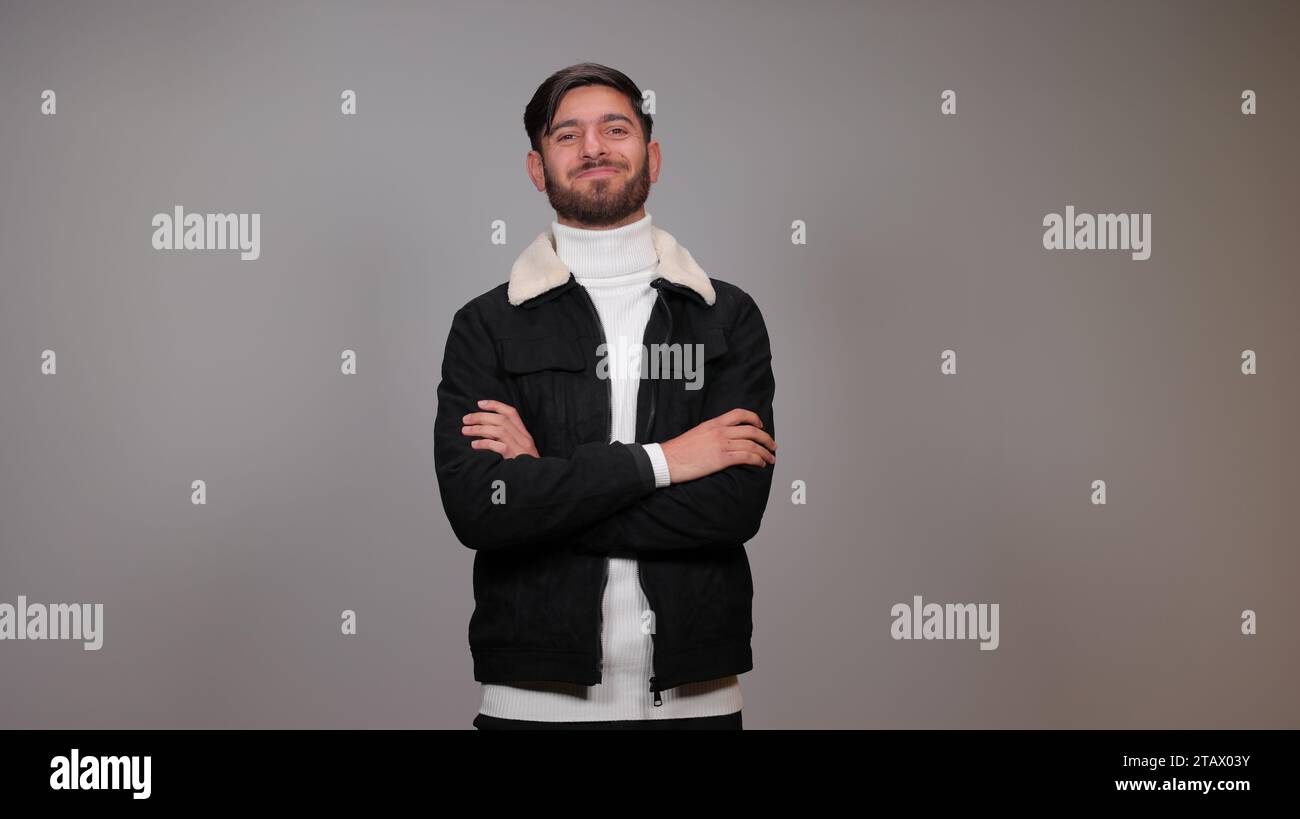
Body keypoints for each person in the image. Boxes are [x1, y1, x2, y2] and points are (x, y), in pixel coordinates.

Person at [434, 62, 777, 729]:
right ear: (537, 168)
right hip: (533, 704)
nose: (593, 147)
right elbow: (481, 511)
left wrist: (543, 483)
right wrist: (666, 461)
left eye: (614, 128)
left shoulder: (724, 316)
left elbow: (733, 508)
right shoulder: (487, 324)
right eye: (568, 135)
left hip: (698, 703)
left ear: (651, 156)